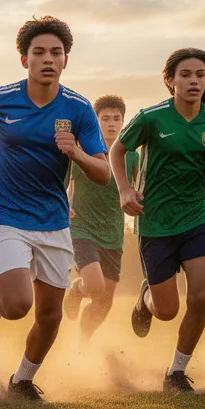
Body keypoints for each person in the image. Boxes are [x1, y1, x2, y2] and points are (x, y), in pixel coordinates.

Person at [0, 16, 110, 402]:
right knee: (19, 304)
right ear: (24, 59)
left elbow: (103, 173)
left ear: (66, 61)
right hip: (4, 215)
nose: (48, 59)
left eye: (56, 52)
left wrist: (77, 153)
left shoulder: (80, 109)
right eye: (39, 52)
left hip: (53, 221)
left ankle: (22, 380)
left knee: (50, 315)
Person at [110, 47, 205, 393]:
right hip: (154, 221)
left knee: (201, 294)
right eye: (185, 75)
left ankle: (176, 372)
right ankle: (146, 298)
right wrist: (125, 190)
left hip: (197, 216)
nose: (194, 81)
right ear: (170, 80)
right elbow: (117, 149)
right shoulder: (151, 118)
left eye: (200, 75)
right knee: (167, 310)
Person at [63, 95, 138, 347]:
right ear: (96, 121)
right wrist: (64, 205)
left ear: (124, 123)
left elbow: (138, 188)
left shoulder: (132, 158)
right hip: (81, 228)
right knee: (95, 286)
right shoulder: (83, 151)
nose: (111, 124)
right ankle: (77, 289)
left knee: (104, 301)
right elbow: (63, 182)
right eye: (105, 118)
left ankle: (83, 345)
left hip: (114, 233)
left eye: (116, 119)